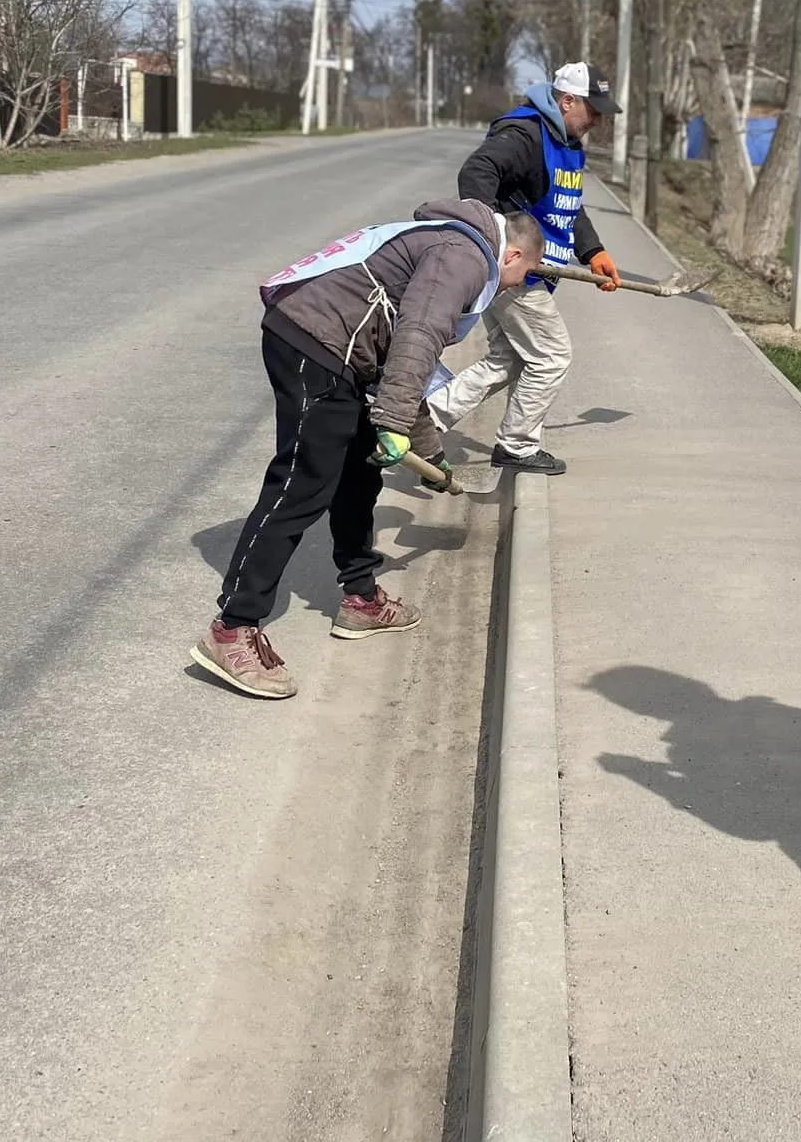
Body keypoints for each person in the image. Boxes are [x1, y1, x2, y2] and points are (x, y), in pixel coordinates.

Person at [193, 202, 546, 700]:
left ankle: (360, 597)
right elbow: (418, 337)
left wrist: (430, 453)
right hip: (315, 341)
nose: (510, 289)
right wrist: (395, 421)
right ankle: (232, 628)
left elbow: (404, 360)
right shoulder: (464, 255)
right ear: (511, 255)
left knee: (360, 475)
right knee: (304, 485)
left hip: (341, 348)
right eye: (520, 278)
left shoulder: (454, 243)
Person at [428, 61, 623, 476]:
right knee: (552, 355)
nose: (599, 121)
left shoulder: (563, 140)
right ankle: (517, 445)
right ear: (567, 100)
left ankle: (426, 417)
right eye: (594, 110)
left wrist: (593, 251)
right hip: (517, 271)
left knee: (509, 357)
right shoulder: (524, 134)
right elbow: (476, 173)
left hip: (532, 270)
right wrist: (496, 239)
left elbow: (565, 202)